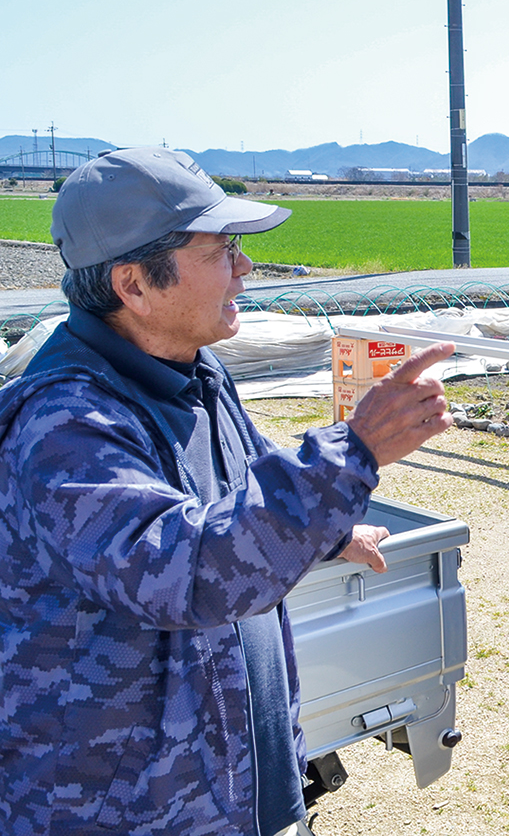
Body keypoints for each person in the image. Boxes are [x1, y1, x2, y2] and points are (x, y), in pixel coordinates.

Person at [0, 148, 455, 836]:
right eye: (223, 251)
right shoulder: (65, 424)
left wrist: (334, 532)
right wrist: (353, 451)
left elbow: (241, 489)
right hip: (126, 811)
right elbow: (185, 572)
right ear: (133, 284)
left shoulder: (195, 374)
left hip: (235, 788)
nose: (245, 269)